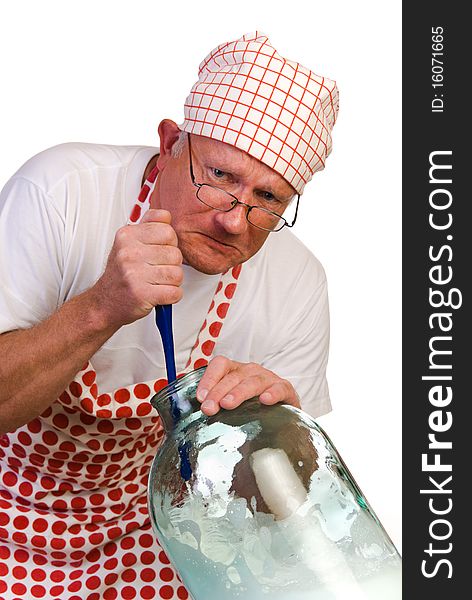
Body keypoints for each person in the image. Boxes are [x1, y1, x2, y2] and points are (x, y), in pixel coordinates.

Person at [0, 32, 339, 599]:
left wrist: (278, 433)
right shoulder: (62, 193)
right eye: (221, 178)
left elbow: (277, 509)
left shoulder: (298, 284)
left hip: (144, 527)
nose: (236, 220)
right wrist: (100, 307)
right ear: (170, 141)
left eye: (269, 199)